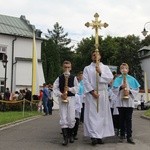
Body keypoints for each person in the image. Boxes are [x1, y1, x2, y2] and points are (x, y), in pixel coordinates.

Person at [83, 50, 115, 145]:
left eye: (97, 55)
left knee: (102, 115)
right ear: (91, 57)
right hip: (92, 95)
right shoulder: (87, 68)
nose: (95, 56)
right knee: (92, 116)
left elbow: (110, 79)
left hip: (102, 94)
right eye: (93, 55)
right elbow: (85, 81)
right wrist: (92, 92)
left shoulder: (105, 67)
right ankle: (93, 136)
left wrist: (100, 73)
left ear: (100, 56)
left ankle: (100, 136)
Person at [112, 63, 140, 144]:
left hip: (129, 102)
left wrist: (130, 91)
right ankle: (122, 135)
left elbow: (137, 89)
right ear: (120, 70)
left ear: (128, 69)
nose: (124, 69)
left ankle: (129, 136)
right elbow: (113, 89)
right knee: (121, 119)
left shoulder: (132, 79)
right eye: (122, 68)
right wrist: (120, 87)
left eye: (126, 68)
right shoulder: (117, 79)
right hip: (121, 102)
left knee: (128, 119)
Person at [53, 60, 78, 146]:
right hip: (62, 99)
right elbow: (55, 88)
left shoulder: (73, 77)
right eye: (65, 67)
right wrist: (61, 94)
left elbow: (77, 88)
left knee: (71, 118)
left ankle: (71, 135)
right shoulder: (59, 78)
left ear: (70, 68)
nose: (67, 69)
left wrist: (69, 89)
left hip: (71, 98)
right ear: (62, 68)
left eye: (68, 67)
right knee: (63, 117)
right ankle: (65, 138)